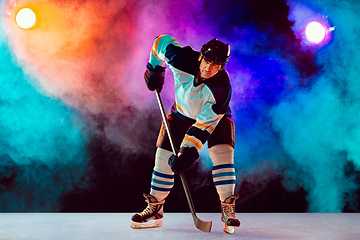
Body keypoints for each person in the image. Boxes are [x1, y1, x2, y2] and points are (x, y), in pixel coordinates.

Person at [131, 34, 240, 233]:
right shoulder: (181, 58)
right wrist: (155, 68)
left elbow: (204, 125)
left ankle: (228, 208)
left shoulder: (222, 88)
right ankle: (156, 209)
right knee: (162, 157)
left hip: (216, 119)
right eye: (207, 61)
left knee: (223, 154)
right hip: (180, 114)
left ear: (222, 66)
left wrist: (188, 153)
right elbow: (160, 42)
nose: (209, 68)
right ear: (201, 56)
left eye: (216, 65)